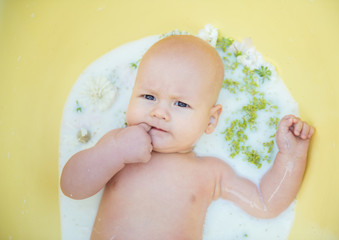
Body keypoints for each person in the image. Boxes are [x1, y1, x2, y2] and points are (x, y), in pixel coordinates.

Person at [60, 35, 315, 240]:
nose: (158, 112)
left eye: (180, 104)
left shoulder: (210, 173)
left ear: (210, 120)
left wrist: (291, 156)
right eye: (148, 97)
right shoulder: (116, 147)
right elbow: (72, 188)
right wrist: (113, 151)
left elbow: (265, 203)